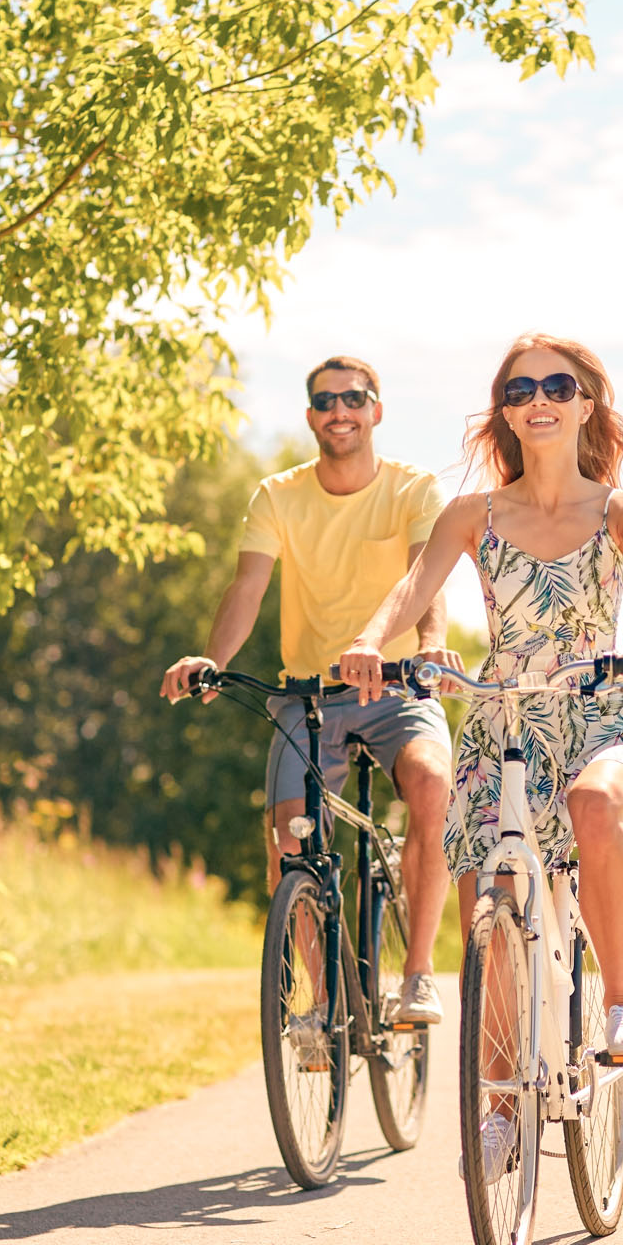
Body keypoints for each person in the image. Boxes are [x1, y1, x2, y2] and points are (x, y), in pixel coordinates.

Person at [337, 333, 623, 1062]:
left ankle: (622, 1005)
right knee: (488, 892)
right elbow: (412, 588)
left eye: (557, 387)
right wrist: (369, 642)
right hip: (505, 719)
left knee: (594, 805)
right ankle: (494, 1106)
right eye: (520, 392)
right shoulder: (473, 514)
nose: (539, 402)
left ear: (587, 405)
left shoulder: (622, 509)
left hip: (602, 704)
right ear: (507, 414)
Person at [160, 355, 459, 1026]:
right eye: (325, 402)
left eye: (353, 398)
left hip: (397, 686)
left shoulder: (414, 489)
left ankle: (417, 976)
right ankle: (323, 1007)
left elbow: (424, 582)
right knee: (290, 840)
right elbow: (247, 589)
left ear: (376, 410)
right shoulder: (278, 495)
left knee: (432, 785)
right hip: (307, 697)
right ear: (310, 418)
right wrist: (211, 660)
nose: (339, 411)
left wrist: (429, 647)